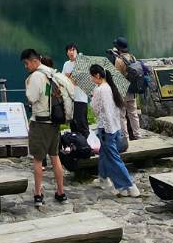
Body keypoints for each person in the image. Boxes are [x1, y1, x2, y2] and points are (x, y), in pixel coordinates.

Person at [22, 48, 68, 206]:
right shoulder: (51, 73)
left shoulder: (36, 76)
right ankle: (60, 192)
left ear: (35, 61)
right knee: (55, 157)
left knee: (38, 160)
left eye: (27, 63)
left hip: (40, 122)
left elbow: (31, 98)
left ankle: (38, 194)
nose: (26, 66)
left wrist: (27, 85)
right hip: (54, 121)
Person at [88, 64, 141, 197]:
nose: (91, 79)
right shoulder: (111, 87)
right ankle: (103, 178)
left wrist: (92, 96)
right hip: (115, 126)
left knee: (113, 158)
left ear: (98, 76)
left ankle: (129, 185)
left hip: (106, 129)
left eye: (91, 76)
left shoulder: (100, 90)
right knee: (104, 154)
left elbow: (95, 109)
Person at [109, 37, 144, 140]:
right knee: (133, 114)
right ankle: (138, 135)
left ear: (118, 48)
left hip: (122, 91)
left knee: (122, 115)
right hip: (133, 89)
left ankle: (125, 137)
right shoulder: (133, 57)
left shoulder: (119, 60)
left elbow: (116, 77)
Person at [61, 44, 91, 138]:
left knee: (82, 122)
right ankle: (77, 144)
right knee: (73, 123)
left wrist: (69, 77)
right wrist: (69, 78)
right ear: (67, 53)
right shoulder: (66, 64)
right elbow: (63, 79)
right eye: (69, 50)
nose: (71, 52)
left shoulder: (82, 62)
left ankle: (87, 144)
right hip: (70, 98)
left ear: (77, 52)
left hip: (80, 98)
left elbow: (80, 79)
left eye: (73, 50)